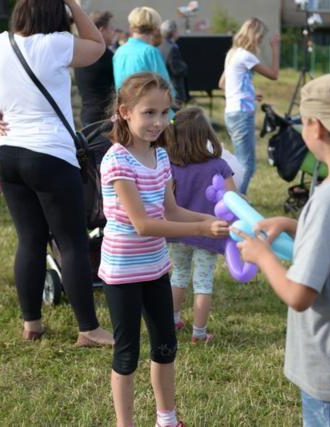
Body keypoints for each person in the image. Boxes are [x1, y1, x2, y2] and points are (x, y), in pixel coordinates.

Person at [0, 0, 113, 345]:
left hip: (7, 152)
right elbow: (97, 46)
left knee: (30, 241)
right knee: (72, 242)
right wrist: (74, 6)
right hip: (50, 152)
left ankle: (31, 324)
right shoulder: (56, 44)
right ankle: (88, 329)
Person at [234, 73, 330, 426]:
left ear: (315, 127)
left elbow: (299, 294)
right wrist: (293, 224)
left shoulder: (329, 200)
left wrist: (263, 256)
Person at [100, 73, 229, 427]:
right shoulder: (117, 161)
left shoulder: (160, 156)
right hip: (123, 271)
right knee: (127, 354)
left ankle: (167, 419)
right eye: (149, 113)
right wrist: (201, 228)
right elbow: (143, 223)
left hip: (156, 268)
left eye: (165, 113)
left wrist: (209, 218)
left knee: (165, 347)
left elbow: (169, 211)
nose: (159, 122)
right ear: (125, 112)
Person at [165, 107, 237, 343]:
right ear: (206, 135)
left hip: (179, 231)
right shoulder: (219, 165)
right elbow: (232, 200)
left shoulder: (170, 166)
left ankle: (172, 321)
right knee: (203, 283)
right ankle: (199, 333)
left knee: (179, 275)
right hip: (209, 232)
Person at [219, 17, 280, 194]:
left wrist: (249, 93)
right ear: (254, 36)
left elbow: (222, 83)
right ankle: (238, 202)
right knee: (247, 164)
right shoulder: (246, 55)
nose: (261, 41)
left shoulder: (232, 53)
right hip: (241, 114)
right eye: (260, 37)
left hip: (231, 112)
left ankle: (234, 197)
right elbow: (274, 74)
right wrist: (275, 48)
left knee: (241, 161)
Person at [112, 7, 175, 98]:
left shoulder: (119, 51)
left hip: (125, 107)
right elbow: (166, 89)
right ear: (155, 28)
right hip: (147, 108)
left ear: (132, 26)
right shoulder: (150, 52)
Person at [75, 11, 116, 127]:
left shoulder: (80, 51)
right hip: (104, 119)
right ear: (102, 30)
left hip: (87, 115)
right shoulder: (105, 55)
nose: (114, 33)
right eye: (111, 29)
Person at [159, 20, 188, 107]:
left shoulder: (160, 46)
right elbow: (176, 68)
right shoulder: (172, 48)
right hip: (174, 88)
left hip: (164, 87)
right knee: (176, 116)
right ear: (174, 32)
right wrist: (185, 67)